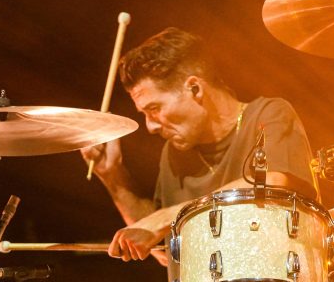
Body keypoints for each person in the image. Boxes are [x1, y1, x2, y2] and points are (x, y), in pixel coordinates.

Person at [81, 27, 317, 263]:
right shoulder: (174, 154)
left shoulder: (268, 114)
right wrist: (113, 176)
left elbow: (273, 183)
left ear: (195, 89)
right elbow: (165, 252)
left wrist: (167, 217)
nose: (150, 126)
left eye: (154, 109)